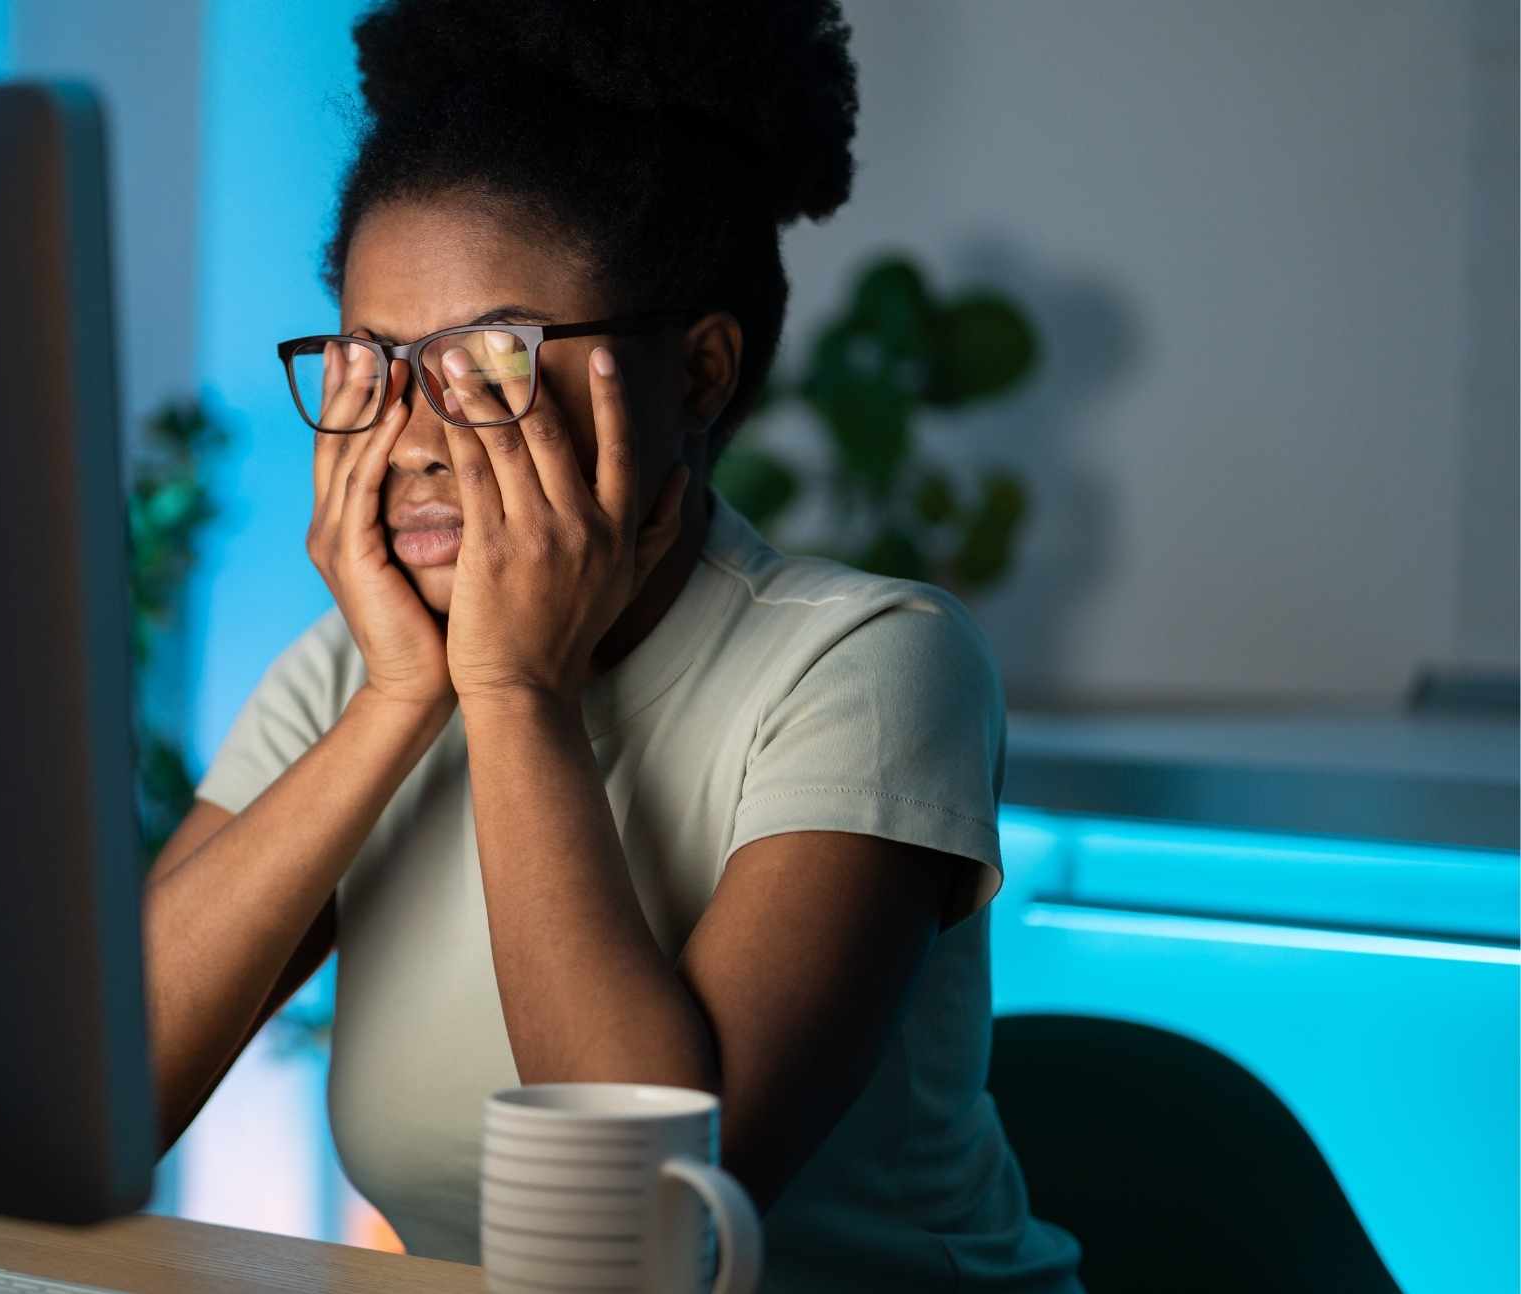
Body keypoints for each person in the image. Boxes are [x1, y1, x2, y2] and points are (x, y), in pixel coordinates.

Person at [142, 2, 1084, 1288]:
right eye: (372, 360)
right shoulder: (351, 672)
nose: (412, 435)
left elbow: (654, 1224)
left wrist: (515, 693)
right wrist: (400, 700)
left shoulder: (868, 664)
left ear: (695, 375)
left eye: (485, 361)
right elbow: (110, 1093)